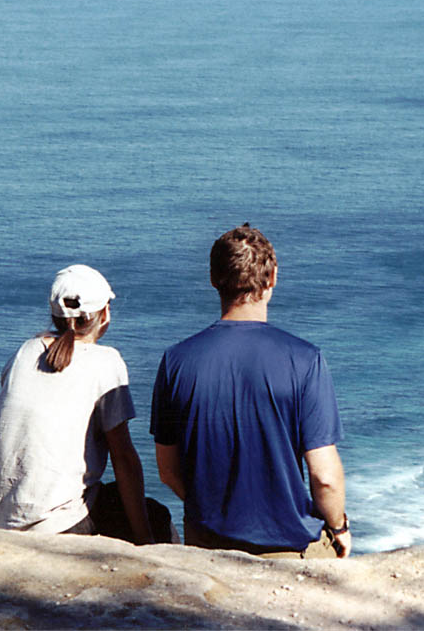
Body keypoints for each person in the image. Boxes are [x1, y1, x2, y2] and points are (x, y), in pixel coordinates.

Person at [150, 224, 351, 558]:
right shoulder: (305, 360)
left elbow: (168, 471)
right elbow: (324, 476)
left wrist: (215, 510)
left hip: (207, 544)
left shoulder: (176, 361)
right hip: (287, 547)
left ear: (214, 279)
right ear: (272, 279)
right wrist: (339, 527)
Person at [0, 264, 169, 545]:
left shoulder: (24, 352)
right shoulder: (105, 362)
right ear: (105, 314)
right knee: (157, 516)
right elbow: (123, 457)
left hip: (1, 522)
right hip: (59, 525)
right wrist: (145, 541)